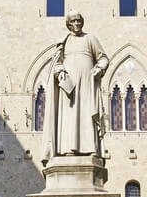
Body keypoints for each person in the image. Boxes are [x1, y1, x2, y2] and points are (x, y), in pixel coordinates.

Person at [41, 12, 109, 163]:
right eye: (73, 21)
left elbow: (103, 57)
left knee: (87, 113)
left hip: (87, 83)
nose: (77, 23)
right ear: (69, 24)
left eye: (79, 21)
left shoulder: (90, 39)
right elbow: (56, 62)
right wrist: (60, 71)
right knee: (69, 116)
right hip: (69, 86)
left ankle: (91, 149)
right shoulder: (64, 41)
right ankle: (68, 149)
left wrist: (99, 68)